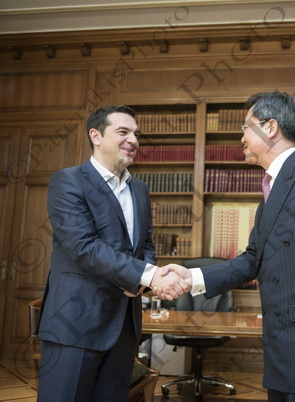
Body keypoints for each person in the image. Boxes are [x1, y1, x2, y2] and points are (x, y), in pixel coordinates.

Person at [158, 91, 295, 401]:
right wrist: (191, 276)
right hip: (281, 345)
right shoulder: (271, 193)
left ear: (270, 127)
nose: (242, 138)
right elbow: (252, 260)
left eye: (246, 127)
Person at [37, 105, 189, 402]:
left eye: (136, 134)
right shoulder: (68, 181)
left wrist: (143, 282)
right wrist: (149, 276)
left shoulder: (140, 189)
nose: (133, 140)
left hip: (124, 328)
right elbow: (84, 246)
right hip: (76, 324)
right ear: (96, 136)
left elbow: (145, 244)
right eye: (123, 132)